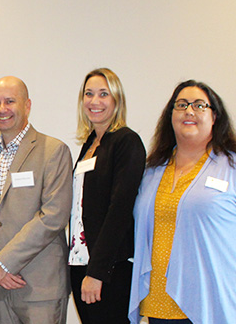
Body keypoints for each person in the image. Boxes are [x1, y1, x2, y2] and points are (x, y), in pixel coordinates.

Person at [128, 80, 236, 324]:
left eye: (199, 105)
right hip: (159, 305)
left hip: (215, 303)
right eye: (181, 105)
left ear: (214, 116)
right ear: (170, 116)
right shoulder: (153, 170)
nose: (189, 111)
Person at [0, 76, 73, 324]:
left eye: (10, 101)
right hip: (0, 288)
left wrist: (4, 262)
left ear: (27, 105)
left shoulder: (53, 151)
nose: (1, 109)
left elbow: (53, 216)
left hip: (40, 288)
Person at [68, 68, 144, 324]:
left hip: (108, 268)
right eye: (88, 94)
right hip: (80, 261)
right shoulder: (90, 144)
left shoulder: (126, 142)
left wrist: (98, 272)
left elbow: (119, 211)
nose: (94, 101)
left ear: (116, 100)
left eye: (103, 94)